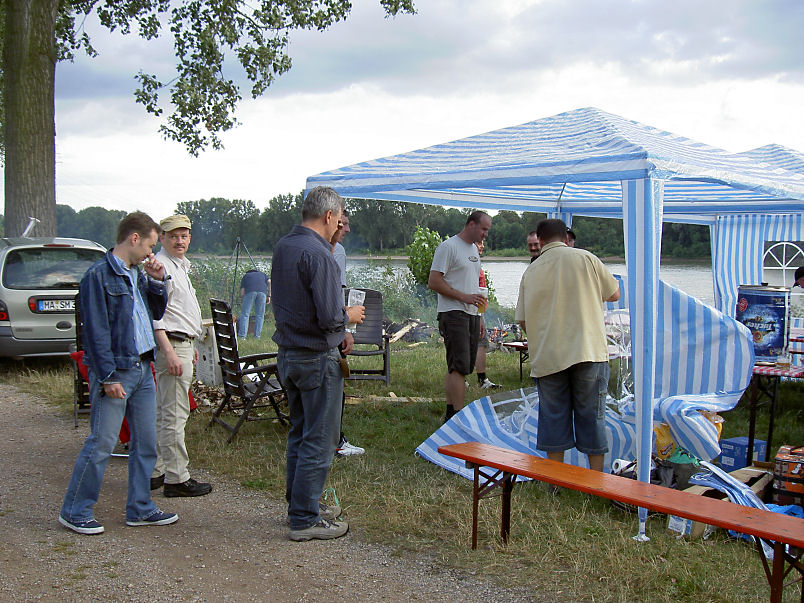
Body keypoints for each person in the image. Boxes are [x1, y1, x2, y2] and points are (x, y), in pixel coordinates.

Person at [59, 212, 178, 535]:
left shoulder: (137, 273)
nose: (151, 253)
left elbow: (155, 313)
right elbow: (95, 332)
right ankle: (75, 510)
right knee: (102, 442)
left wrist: (157, 281)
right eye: (150, 246)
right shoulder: (98, 276)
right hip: (118, 371)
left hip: (143, 367)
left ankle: (140, 508)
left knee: (146, 442)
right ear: (134, 238)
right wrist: (107, 376)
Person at [271, 186, 365, 541]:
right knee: (320, 439)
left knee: (300, 432)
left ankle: (299, 503)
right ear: (329, 216)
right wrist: (349, 316)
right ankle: (304, 519)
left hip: (289, 354)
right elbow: (328, 317)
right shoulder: (320, 254)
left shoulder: (284, 246)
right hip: (315, 358)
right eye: (339, 217)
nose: (340, 223)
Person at [515, 218, 620, 473]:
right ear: (566, 238)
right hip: (588, 350)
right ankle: (595, 479)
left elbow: (523, 320)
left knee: (553, 417)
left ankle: (555, 479)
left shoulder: (531, 271)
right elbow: (614, 293)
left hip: (549, 356)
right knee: (592, 417)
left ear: (540, 240)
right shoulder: (586, 258)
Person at [150, 215, 212, 498]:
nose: (179, 241)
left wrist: (191, 340)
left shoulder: (179, 266)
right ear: (162, 238)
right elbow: (156, 316)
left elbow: (178, 311)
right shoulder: (161, 267)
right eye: (173, 236)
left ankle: (157, 470)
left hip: (182, 343)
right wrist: (170, 351)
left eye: (184, 236)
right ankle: (177, 478)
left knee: (166, 410)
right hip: (172, 345)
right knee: (175, 413)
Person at [428, 211, 492, 422]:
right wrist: (463, 297)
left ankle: (450, 414)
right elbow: (434, 281)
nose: (485, 234)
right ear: (471, 224)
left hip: (471, 314)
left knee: (459, 366)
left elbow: (473, 286)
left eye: (487, 230)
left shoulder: (473, 249)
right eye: (483, 229)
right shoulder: (448, 247)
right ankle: (457, 417)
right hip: (453, 313)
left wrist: (479, 316)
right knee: (459, 367)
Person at [329, 212, 365, 456]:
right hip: (329, 332)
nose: (348, 230)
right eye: (345, 224)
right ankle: (335, 441)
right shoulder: (336, 250)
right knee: (333, 385)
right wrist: (346, 328)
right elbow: (336, 293)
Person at [474, 240, 499, 389]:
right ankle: (481, 380)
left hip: (475, 310)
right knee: (480, 343)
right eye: (479, 243)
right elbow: (480, 292)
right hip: (473, 311)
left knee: (477, 343)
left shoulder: (474, 262)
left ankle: (474, 379)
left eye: (483, 243)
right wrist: (480, 316)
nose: (482, 245)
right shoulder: (472, 264)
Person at [238, 269, 271, 339]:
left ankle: (242, 336)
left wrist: (243, 299)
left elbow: (242, 293)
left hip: (250, 292)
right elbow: (269, 282)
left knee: (245, 314)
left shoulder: (246, 276)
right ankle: (257, 337)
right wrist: (269, 296)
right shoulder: (263, 274)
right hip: (262, 293)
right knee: (260, 315)